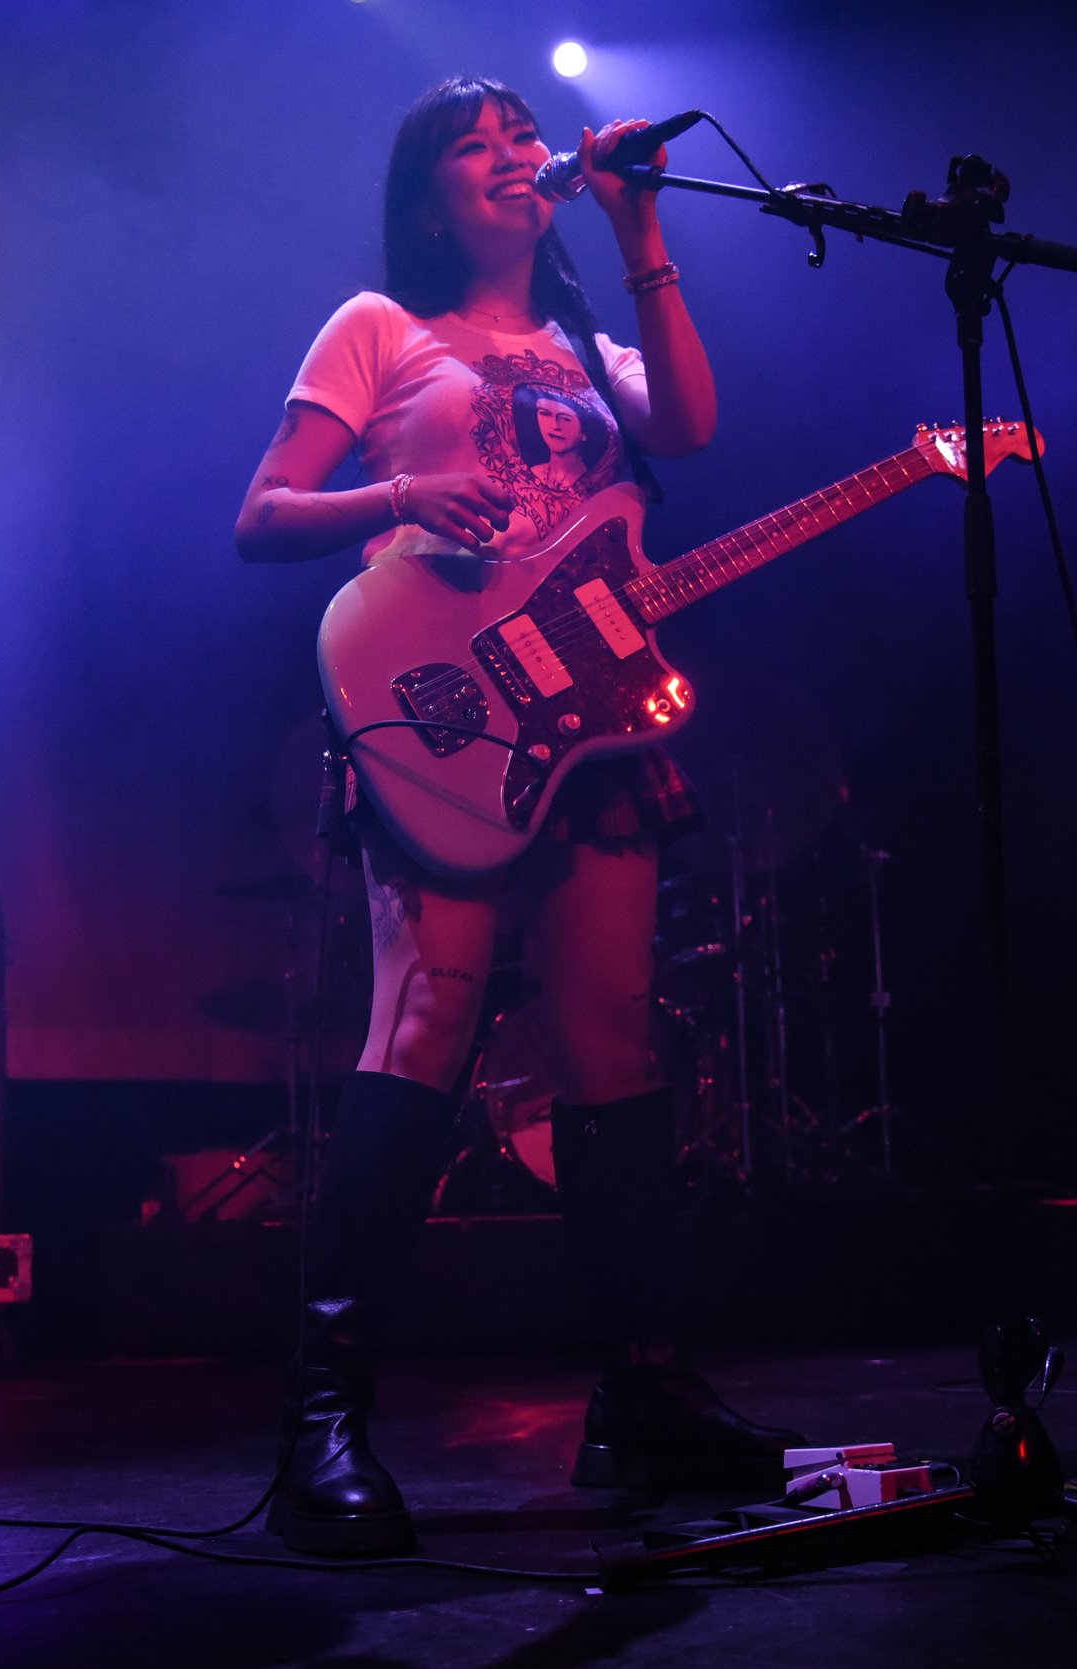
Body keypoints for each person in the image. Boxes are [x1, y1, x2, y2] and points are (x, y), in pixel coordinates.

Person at [235, 76, 800, 1557]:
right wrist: (404, 485)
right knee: (425, 1020)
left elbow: (691, 418)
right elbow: (262, 513)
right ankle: (325, 1418)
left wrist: (640, 221)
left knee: (614, 1038)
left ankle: (646, 1398)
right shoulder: (377, 329)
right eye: (471, 147)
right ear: (429, 196)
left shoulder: (590, 354)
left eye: (515, 139)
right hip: (442, 713)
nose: (508, 156)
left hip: (589, 735)